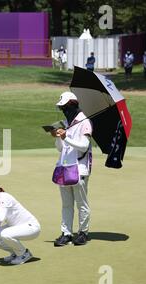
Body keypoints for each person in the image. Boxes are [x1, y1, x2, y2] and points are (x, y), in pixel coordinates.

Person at [49, 92, 93, 246]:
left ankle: (83, 232)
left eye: (65, 107)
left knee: (81, 203)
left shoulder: (84, 121)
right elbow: (60, 149)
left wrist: (66, 137)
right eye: (62, 108)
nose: (63, 110)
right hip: (65, 167)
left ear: (72, 105)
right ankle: (66, 233)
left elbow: (84, 146)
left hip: (80, 168)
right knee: (66, 204)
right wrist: (58, 137)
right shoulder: (67, 123)